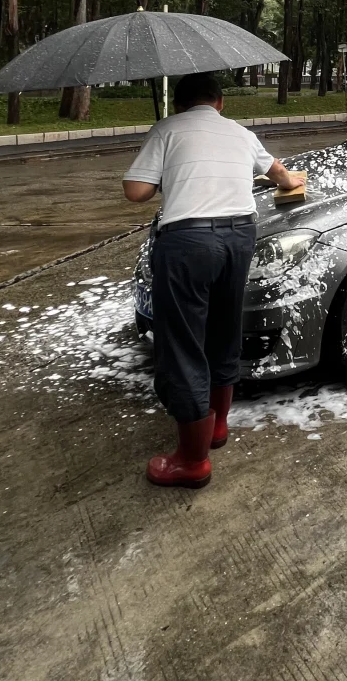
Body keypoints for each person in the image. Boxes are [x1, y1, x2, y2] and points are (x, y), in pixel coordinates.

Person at [122, 72, 305, 487]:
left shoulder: (167, 128)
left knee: (183, 342)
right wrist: (293, 182)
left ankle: (192, 461)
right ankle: (218, 426)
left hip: (187, 241)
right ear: (220, 103)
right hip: (240, 236)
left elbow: (136, 191)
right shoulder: (240, 132)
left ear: (180, 105)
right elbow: (279, 173)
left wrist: (164, 171)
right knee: (224, 329)